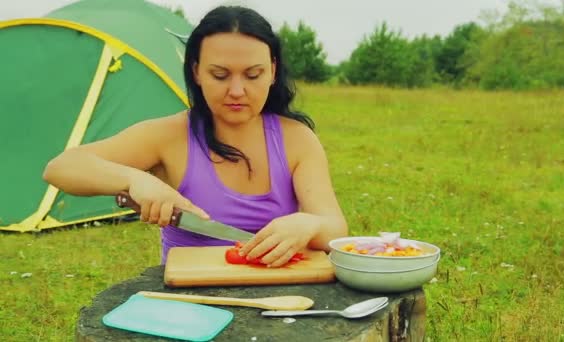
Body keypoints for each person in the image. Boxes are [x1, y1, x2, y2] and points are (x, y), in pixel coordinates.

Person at [42, 5, 348, 267]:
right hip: (191, 297)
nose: (237, 91)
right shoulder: (169, 135)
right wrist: (135, 180)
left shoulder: (297, 139)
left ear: (272, 71)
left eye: (253, 75)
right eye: (220, 75)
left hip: (279, 295)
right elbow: (62, 167)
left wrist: (309, 224)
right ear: (197, 71)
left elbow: (335, 229)